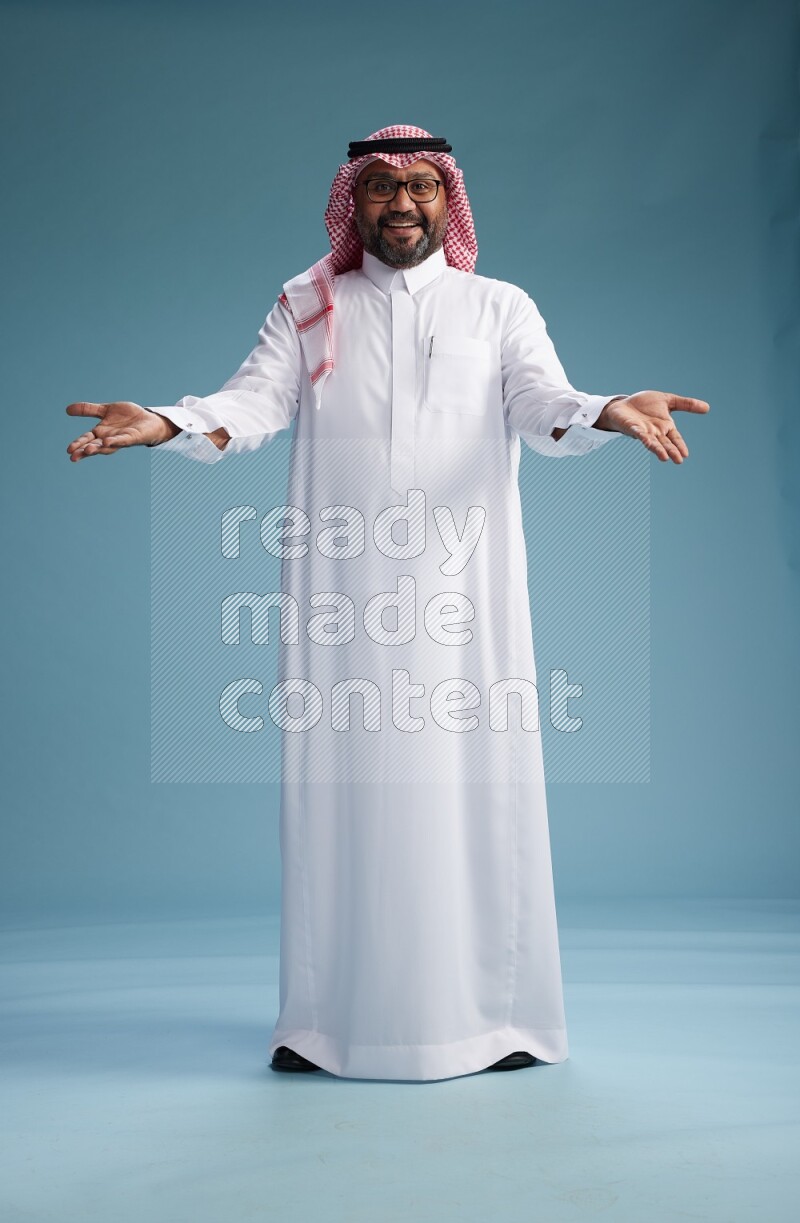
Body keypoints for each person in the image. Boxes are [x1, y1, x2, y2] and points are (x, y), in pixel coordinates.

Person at [66, 124, 709, 1081]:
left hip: (466, 606)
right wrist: (166, 423)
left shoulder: (498, 306)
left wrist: (605, 410)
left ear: (449, 202)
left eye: (419, 186)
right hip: (344, 605)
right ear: (350, 203)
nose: (400, 203)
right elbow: (251, 404)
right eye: (378, 187)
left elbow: (543, 403)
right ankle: (325, 1026)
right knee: (343, 803)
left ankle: (498, 1023)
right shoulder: (308, 303)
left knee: (476, 799)